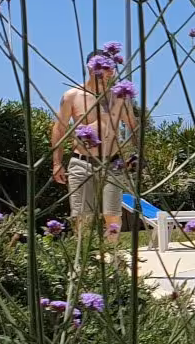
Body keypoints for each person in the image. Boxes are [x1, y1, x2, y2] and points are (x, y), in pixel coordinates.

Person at [51, 53, 138, 248]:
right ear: (92, 68)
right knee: (82, 217)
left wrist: (136, 155)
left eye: (111, 68)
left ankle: (113, 262)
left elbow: (133, 126)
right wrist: (57, 163)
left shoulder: (120, 98)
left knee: (112, 215)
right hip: (81, 163)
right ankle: (83, 262)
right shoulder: (72, 96)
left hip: (112, 163)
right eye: (104, 68)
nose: (109, 72)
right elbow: (59, 128)